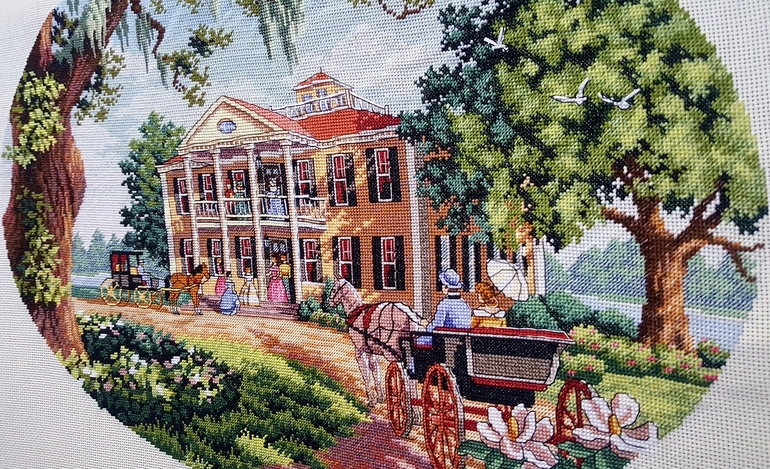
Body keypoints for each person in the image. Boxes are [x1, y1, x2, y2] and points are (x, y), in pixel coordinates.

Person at [417, 268, 471, 346]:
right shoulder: (465, 305)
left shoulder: (444, 304)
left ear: (446, 287)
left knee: (419, 341)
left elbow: (436, 327)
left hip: (445, 341)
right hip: (462, 342)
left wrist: (426, 324)